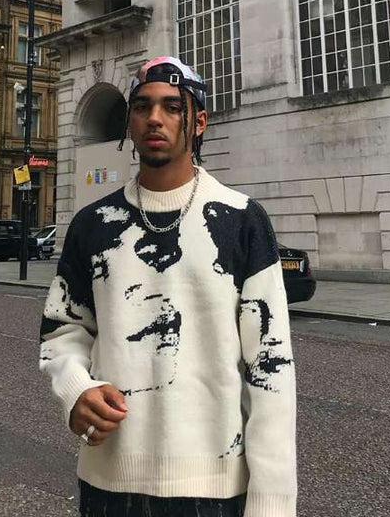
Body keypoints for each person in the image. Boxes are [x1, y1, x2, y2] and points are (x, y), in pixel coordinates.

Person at [40, 56, 297, 517]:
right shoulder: (92, 223)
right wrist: (76, 389)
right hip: (109, 484)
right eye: (142, 106)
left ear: (199, 122)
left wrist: (272, 505)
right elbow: (64, 330)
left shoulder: (241, 220)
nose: (154, 118)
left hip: (212, 490)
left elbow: (271, 368)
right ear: (129, 121)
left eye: (172, 107)